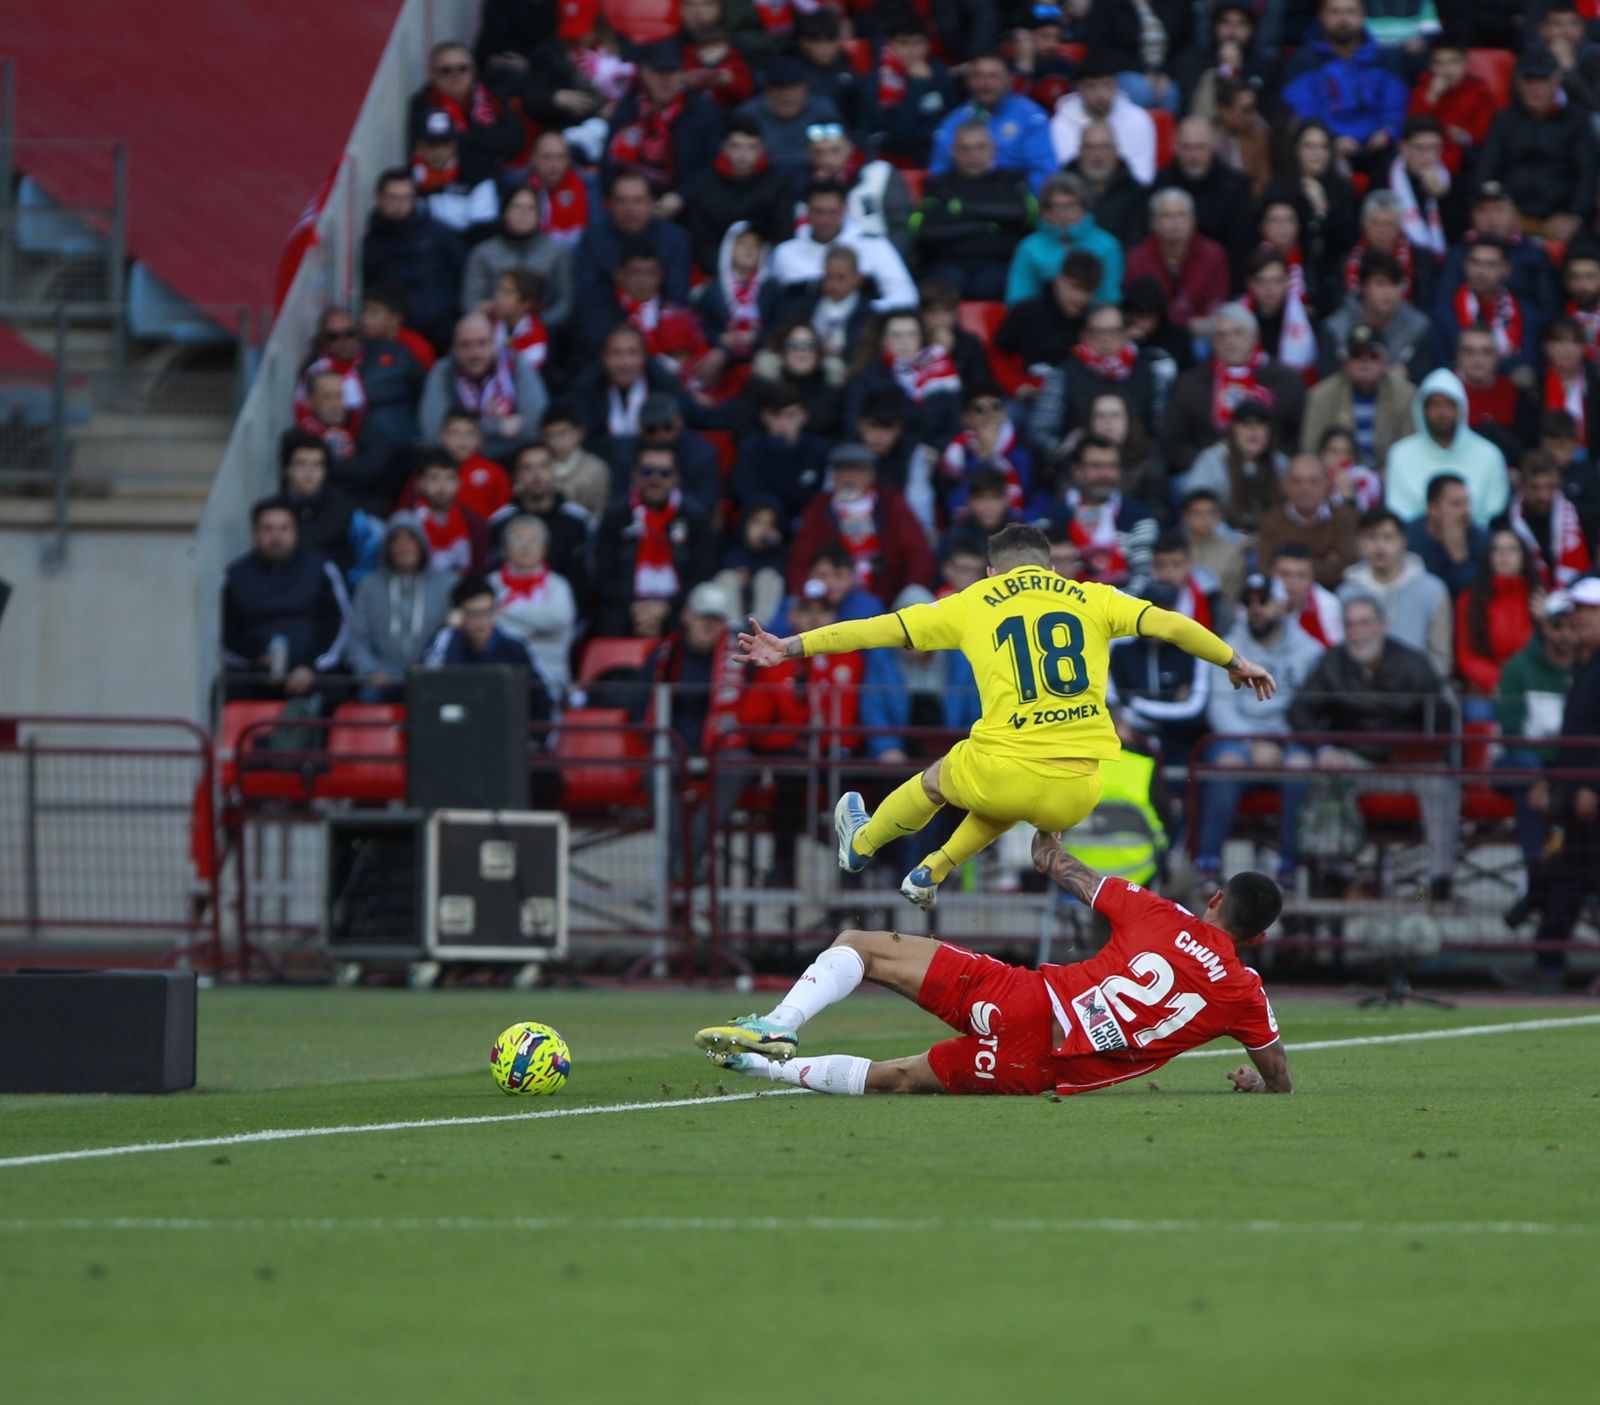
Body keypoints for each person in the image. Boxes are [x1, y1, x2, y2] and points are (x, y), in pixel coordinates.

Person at [734, 522, 1278, 910]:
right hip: (1077, 792)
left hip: (1004, 768)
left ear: (993, 570)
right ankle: (930, 871)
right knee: (1005, 798)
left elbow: (877, 629)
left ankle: (863, 843)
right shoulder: (1092, 597)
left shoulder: (973, 601)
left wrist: (791, 647)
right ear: (1051, 567)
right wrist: (1236, 661)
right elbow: (1173, 625)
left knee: (939, 779)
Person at [692, 845, 1290, 1098]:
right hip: (1043, 1067)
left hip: (1024, 997)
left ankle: (778, 1024)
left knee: (860, 946)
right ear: (1258, 938)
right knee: (897, 1078)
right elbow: (1279, 1076)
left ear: (1215, 899)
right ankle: (759, 1067)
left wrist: (1046, 817)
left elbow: (1052, 861)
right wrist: (1261, 1085)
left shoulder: (1156, 913)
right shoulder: (1245, 994)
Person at [1288, 593, 1458, 899]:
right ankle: (1333, 873)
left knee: (1441, 783)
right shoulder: (1332, 662)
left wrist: (1425, 751)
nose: (1358, 633)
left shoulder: (1412, 662)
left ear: (1383, 625)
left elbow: (1441, 717)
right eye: (1350, 625)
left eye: (1365, 623)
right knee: (1325, 777)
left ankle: (1439, 878)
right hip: (1354, 758)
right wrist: (1325, 748)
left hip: (1405, 762)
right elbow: (1299, 711)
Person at [1194, 571, 1325, 888]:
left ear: (1283, 604)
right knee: (1226, 764)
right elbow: (1220, 709)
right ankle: (1208, 865)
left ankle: (1289, 866)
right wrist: (1253, 744)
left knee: (1301, 765)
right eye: (1248, 602)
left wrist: (1277, 743)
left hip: (1288, 739)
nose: (1256, 609)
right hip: (1238, 739)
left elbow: (1310, 712)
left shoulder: (1310, 651)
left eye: (1263, 601)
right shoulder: (1225, 648)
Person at [221, 497, 349, 700]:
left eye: (284, 528)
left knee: (337, 689)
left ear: (295, 532)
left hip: (314, 673)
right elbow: (225, 635)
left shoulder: (322, 568)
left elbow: (340, 624)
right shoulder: (235, 576)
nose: (276, 536)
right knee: (225, 689)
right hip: (255, 675)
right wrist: (257, 662)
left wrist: (310, 667)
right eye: (268, 529)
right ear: (255, 533)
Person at [786, 442, 933, 608]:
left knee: (917, 596)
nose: (850, 477)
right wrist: (807, 592)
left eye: (858, 470)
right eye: (843, 470)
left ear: (871, 474)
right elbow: (800, 557)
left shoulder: (890, 501)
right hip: (833, 599)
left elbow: (917, 551)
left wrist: (913, 585)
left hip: (889, 596)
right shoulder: (820, 506)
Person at [591, 445, 716, 637]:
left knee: (697, 620)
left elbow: (702, 575)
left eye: (664, 473)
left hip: (678, 604)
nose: (655, 479)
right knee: (607, 618)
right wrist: (636, 605)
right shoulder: (615, 516)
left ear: (676, 478)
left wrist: (666, 606)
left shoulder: (695, 517)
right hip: (625, 605)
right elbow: (603, 575)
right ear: (634, 474)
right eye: (647, 471)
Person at [1478, 44, 1597, 242]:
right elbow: (1486, 169)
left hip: (1561, 217)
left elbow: (1587, 174)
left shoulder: (1578, 121)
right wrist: (1500, 211)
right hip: (1512, 216)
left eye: (1542, 81)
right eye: (1528, 81)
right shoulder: (1503, 121)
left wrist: (1575, 215)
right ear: (1518, 83)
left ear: (1557, 80)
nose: (1535, 89)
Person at [909, 120, 1037, 302]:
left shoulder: (1012, 181)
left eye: (980, 147)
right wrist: (988, 225)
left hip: (999, 265)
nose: (973, 154)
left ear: (993, 149)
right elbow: (923, 229)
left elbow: (1026, 214)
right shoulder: (937, 185)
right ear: (953, 152)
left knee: (995, 285)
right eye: (965, 148)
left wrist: (961, 209)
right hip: (947, 265)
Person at [1281, 0, 1408, 166]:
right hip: (1326, 147)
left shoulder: (1384, 58)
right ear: (1321, 16)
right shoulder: (1304, 60)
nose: (1343, 19)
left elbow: (1394, 103)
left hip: (1379, 147)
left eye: (1350, 12)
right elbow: (1305, 108)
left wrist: (1388, 130)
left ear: (1363, 15)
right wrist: (1331, 138)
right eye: (1335, 12)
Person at [603, 39, 725, 211]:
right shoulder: (628, 109)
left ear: (681, 73)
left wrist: (681, 196)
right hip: (628, 205)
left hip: (684, 210)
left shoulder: (703, 113)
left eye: (672, 72)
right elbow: (608, 162)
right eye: (658, 72)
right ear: (643, 72)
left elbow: (711, 166)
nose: (666, 80)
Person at [423, 575, 557, 730]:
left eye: (488, 612)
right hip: (456, 734)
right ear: (458, 615)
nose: (481, 621)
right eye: (473, 614)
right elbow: (427, 686)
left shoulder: (514, 647)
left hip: (504, 736)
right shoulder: (448, 642)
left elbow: (541, 698)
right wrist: (451, 631)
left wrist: (536, 739)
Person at [346, 515, 454, 703]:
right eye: (396, 540)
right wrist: (371, 671)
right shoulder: (369, 586)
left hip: (432, 677)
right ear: (387, 547)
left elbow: (453, 635)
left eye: (411, 538)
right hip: (382, 678)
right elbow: (356, 639)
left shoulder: (447, 584)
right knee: (368, 699)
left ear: (422, 544)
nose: (404, 546)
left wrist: (435, 671)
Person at [1338, 506, 1453, 679]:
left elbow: (1440, 658)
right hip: (1358, 688)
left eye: (1388, 537)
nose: (1379, 546)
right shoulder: (1346, 594)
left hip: (1417, 686)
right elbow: (1340, 652)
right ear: (1359, 544)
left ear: (1403, 542)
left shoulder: (1433, 591)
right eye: (1371, 537)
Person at [770, 179, 918, 312]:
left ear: (845, 210)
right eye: (818, 211)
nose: (825, 219)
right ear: (806, 210)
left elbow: (905, 296)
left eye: (832, 212)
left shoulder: (874, 245)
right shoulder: (785, 252)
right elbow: (770, 302)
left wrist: (865, 313)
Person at [1385, 369, 1509, 528]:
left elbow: (1493, 512)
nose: (1442, 412)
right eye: (1435, 405)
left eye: (1449, 404)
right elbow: (1399, 511)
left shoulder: (1489, 454)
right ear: (1422, 409)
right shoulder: (1401, 454)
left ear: (1461, 408)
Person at [418, 313, 548, 462]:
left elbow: (535, 426)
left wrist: (463, 435)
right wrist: (497, 427)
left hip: (514, 461)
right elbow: (434, 433)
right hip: (458, 464)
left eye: (482, 343)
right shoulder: (443, 371)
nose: (474, 353)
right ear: (454, 348)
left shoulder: (516, 364)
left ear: (494, 344)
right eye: (465, 345)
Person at [360, 169, 465, 353]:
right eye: (393, 197)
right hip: (396, 336)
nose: (400, 204)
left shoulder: (439, 235)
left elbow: (463, 272)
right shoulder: (373, 242)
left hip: (444, 329)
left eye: (406, 197)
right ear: (379, 198)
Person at [1041, 434, 1159, 594]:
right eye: (1096, 466)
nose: (1105, 474)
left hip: (1121, 605)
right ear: (1077, 470)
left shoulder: (1140, 519)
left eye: (1112, 466)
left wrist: (1110, 606)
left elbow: (1143, 576)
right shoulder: (1051, 520)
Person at [928, 49, 1057, 192]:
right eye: (979, 76)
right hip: (967, 197)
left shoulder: (1030, 117)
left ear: (1009, 78)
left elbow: (1045, 173)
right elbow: (939, 174)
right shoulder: (952, 123)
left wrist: (1018, 199)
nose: (986, 83)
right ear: (968, 80)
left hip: (1016, 198)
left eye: (994, 76)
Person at [1152, 117, 1256, 287]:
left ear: (1212, 146)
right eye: (1187, 147)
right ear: (1175, 146)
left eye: (1200, 147)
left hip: (1222, 281)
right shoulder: (1160, 183)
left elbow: (1242, 246)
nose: (1193, 155)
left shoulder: (1235, 186)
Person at [681, 116, 791, 276]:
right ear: (724, 148)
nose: (743, 155)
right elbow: (702, 243)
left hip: (767, 271)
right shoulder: (704, 185)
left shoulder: (779, 183)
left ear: (762, 149)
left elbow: (782, 236)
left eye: (751, 147)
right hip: (716, 273)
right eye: (736, 146)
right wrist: (730, 274)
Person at [461, 187, 575, 335]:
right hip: (491, 333)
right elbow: (470, 303)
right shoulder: (483, 253)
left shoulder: (558, 252)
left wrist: (532, 327)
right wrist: (491, 314)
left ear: (540, 216)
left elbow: (566, 302)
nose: (523, 214)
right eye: (516, 207)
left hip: (546, 333)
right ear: (504, 212)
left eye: (530, 208)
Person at [1301, 324, 1415, 472]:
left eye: (1373, 356)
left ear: (1384, 362)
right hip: (1334, 476)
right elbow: (1311, 449)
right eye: (1357, 356)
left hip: (1390, 475)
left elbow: (1409, 449)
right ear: (1345, 363)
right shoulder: (1322, 395)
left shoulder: (1406, 395)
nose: (1365, 363)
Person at [407, 42, 523, 185]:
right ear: (433, 75)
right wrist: (485, 139)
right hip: (442, 185)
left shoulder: (491, 96)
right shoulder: (423, 102)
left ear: (474, 71)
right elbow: (425, 152)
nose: (455, 75)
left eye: (462, 69)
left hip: (492, 180)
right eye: (446, 70)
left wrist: (462, 139)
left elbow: (514, 140)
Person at [1122, 189, 1231, 341]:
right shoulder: (1137, 257)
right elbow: (1134, 308)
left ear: (1193, 220)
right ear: (1153, 223)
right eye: (1166, 215)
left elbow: (1217, 303)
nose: (1175, 222)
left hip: (1200, 335)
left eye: (1181, 215)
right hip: (1152, 334)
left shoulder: (1213, 254)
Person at [489, 515, 579, 698]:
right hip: (500, 676)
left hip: (550, 677)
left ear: (545, 548)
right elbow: (485, 626)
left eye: (533, 540)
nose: (526, 546)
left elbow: (559, 618)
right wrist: (537, 626)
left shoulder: (558, 585)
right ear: (504, 549)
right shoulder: (491, 584)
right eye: (518, 539)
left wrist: (507, 611)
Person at [1005, 173, 1122, 307]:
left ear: (1085, 208)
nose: (1066, 213)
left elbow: (1110, 297)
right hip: (1042, 316)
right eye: (1059, 207)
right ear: (1046, 212)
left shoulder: (1107, 245)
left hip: (1094, 316)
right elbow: (1019, 299)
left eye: (1073, 206)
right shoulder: (1030, 248)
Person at [278, 431, 377, 585]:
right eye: (301, 463)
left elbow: (368, 556)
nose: (310, 472)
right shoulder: (274, 512)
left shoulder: (346, 510)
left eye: (317, 464)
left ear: (325, 470)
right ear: (286, 470)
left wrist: (346, 586)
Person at [1318, 251, 1434, 382]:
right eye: (1380, 284)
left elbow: (1423, 381)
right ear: (1363, 287)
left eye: (1394, 284)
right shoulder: (1335, 329)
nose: (1388, 292)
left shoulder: (1418, 328)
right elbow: (1327, 382)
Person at [1177, 399, 1288, 534]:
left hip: (1269, 539)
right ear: (1233, 430)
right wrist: (1233, 538)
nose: (1253, 430)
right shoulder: (1212, 461)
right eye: (1246, 424)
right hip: (1220, 539)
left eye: (1260, 424)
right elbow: (1197, 512)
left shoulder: (1280, 463)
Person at [1455, 529, 1541, 698]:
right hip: (1487, 690)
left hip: (1533, 686)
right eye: (1497, 549)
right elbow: (1466, 656)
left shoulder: (1540, 598)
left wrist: (1546, 620)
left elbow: (1556, 653)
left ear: (1524, 557)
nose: (1504, 554)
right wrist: (1498, 683)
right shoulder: (1469, 600)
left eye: (1512, 549)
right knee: (1477, 711)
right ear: (1489, 557)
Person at [1049, 54, 1157, 185]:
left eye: (1107, 84)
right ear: (1078, 88)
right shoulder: (1060, 124)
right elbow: (1065, 177)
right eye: (1091, 86)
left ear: (1116, 85)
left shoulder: (1138, 120)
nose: (1100, 94)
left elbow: (1143, 176)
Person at [1258, 452, 1359, 591]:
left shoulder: (1344, 517)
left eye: (1313, 481)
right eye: (1297, 481)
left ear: (1326, 484)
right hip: (1284, 594)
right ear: (1286, 485)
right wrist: (1325, 562)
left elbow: (1346, 570)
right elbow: (1265, 569)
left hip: (1334, 593)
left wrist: (1288, 568)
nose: (1305, 488)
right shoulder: (1271, 520)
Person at [1496, 451, 1592, 591]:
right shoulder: (1504, 524)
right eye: (1535, 488)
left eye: (1550, 487)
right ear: (1521, 486)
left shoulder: (1580, 517)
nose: (1544, 496)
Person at [993, 250, 1100, 372]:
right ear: (1058, 281)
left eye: (1088, 290)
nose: (1081, 297)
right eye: (1075, 286)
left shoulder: (1096, 321)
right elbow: (1001, 352)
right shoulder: (1026, 313)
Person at [1063, 121, 1150, 248]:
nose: (1097, 155)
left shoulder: (1136, 193)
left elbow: (1137, 241)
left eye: (1104, 147)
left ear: (1116, 151)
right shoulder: (1062, 189)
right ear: (1080, 151)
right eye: (1090, 147)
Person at [1406, 471, 1489, 597]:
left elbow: (1479, 597)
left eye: (1467, 503)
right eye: (1456, 504)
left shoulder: (1483, 540)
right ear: (1433, 509)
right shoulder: (1408, 536)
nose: (1466, 511)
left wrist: (1460, 558)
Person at [411, 449, 491, 577]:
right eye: (434, 478)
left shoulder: (475, 523)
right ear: (420, 483)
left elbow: (479, 568)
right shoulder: (409, 521)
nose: (442, 486)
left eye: (449, 478)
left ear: (459, 483)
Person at [540, 400, 612, 518]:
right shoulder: (538, 465)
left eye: (562, 434)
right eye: (550, 435)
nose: (556, 442)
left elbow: (598, 512)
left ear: (580, 433)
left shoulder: (596, 469)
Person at [1272, 541, 1344, 646]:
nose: (1293, 582)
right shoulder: (1259, 600)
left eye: (1301, 576)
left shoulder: (1328, 605)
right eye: (1285, 574)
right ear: (1273, 574)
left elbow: (1335, 650)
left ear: (1311, 578)